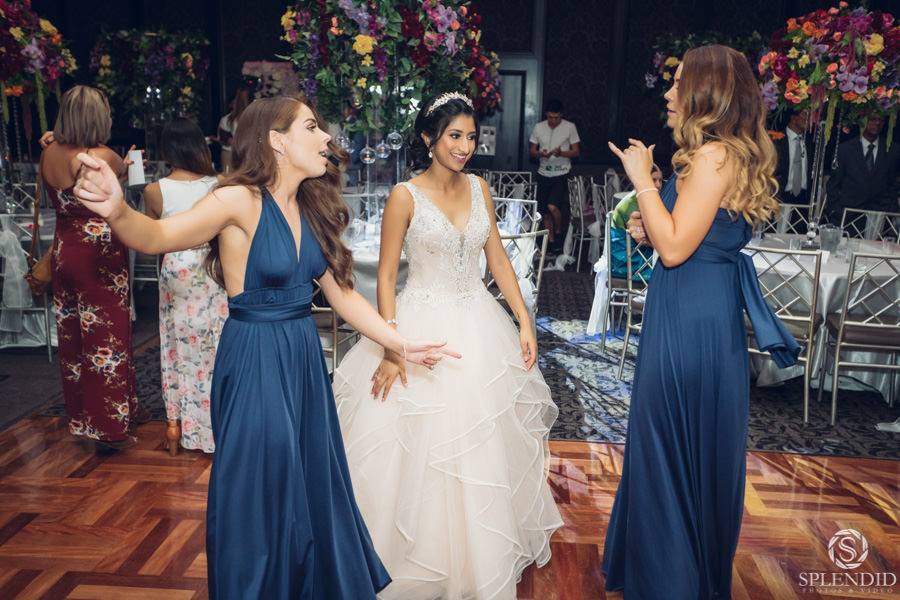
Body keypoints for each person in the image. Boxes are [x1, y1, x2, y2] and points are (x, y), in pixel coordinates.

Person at [73, 94, 460, 599]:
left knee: (308, 481)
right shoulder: (237, 200)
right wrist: (116, 208)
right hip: (254, 358)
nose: (326, 138)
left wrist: (400, 343)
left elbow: (344, 296)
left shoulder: (310, 207)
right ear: (277, 141)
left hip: (302, 360)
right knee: (260, 486)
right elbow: (156, 236)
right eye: (312, 127)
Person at [333, 91, 563, 599]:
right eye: (454, 136)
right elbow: (386, 277)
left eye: (471, 137)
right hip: (419, 325)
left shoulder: (480, 187)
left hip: (479, 325)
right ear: (428, 138)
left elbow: (497, 259)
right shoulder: (404, 196)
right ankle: (409, 556)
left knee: (482, 442)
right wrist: (393, 347)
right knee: (416, 446)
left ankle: (480, 557)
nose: (464, 146)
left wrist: (524, 320)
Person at [601, 45, 800, 598]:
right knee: (674, 439)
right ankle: (671, 568)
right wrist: (650, 223)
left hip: (692, 321)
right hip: (693, 308)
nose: (668, 92)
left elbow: (673, 250)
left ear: (706, 92)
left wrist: (642, 181)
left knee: (668, 437)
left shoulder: (714, 157)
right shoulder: (710, 156)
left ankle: (671, 580)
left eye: (679, 82)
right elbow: (684, 237)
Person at [41, 85, 140, 451]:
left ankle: (84, 419)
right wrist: (128, 166)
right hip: (99, 257)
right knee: (107, 342)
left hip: (64, 252)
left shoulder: (49, 152)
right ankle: (107, 428)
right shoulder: (101, 156)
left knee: (74, 342)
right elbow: (120, 181)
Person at [143, 117, 226, 454]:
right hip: (212, 265)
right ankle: (220, 425)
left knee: (177, 348)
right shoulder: (219, 184)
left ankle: (178, 427)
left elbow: (150, 237)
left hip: (177, 266)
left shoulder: (155, 191)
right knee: (217, 344)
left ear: (167, 150)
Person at [825, 111, 900, 225]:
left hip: (880, 217)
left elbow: (893, 185)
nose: (877, 123)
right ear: (862, 121)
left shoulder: (892, 149)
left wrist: (891, 212)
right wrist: (836, 211)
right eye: (873, 119)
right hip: (847, 215)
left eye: (880, 120)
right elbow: (833, 184)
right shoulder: (845, 150)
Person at [529, 98, 580, 252]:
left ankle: (558, 232)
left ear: (561, 115)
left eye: (556, 118)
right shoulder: (538, 127)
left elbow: (576, 152)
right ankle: (551, 242)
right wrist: (541, 153)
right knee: (544, 210)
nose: (553, 121)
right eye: (551, 117)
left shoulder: (570, 127)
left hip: (561, 172)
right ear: (546, 114)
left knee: (553, 206)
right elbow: (532, 151)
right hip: (543, 172)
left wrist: (561, 153)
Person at [607, 164, 663, 280]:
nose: (659, 185)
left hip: (630, 256)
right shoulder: (633, 205)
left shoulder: (638, 198)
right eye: (654, 180)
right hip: (627, 263)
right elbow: (646, 240)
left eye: (660, 180)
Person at [773, 108, 811, 205]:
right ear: (793, 117)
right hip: (780, 196)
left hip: (804, 199)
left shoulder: (811, 142)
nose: (809, 119)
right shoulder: (776, 140)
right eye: (805, 114)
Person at [215, 88, 251, 173]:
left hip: (247, 154)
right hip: (232, 154)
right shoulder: (227, 120)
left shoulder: (254, 119)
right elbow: (226, 140)